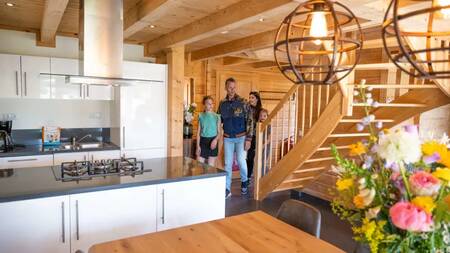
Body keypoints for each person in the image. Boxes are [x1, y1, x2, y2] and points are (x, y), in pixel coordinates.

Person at [218, 77, 254, 198]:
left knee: (241, 161)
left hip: (241, 138)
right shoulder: (222, 103)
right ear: (225, 88)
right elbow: (219, 121)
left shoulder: (243, 102)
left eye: (234, 87)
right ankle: (227, 189)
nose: (232, 90)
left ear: (236, 88)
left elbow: (250, 121)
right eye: (229, 87)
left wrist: (249, 139)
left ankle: (244, 182)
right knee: (227, 164)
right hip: (227, 138)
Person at [196, 96, 221, 166]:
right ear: (204, 105)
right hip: (203, 142)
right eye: (208, 103)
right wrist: (198, 146)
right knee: (199, 165)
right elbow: (198, 133)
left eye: (212, 103)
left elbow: (219, 133)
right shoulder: (200, 116)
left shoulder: (217, 116)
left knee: (211, 167)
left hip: (213, 141)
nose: (210, 105)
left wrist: (215, 140)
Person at [246, 91, 262, 183]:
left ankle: (248, 177)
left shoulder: (260, 110)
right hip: (246, 136)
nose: (250, 99)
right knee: (245, 158)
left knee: (250, 157)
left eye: (252, 97)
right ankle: (246, 176)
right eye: (250, 97)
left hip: (255, 137)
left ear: (257, 99)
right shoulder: (247, 108)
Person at [258, 108, 271, 175]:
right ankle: (265, 174)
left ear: (267, 117)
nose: (262, 117)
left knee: (263, 161)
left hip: (266, 146)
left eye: (264, 116)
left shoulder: (268, 126)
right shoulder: (259, 126)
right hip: (260, 146)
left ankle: (264, 175)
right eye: (261, 115)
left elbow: (269, 139)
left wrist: (263, 145)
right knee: (259, 161)